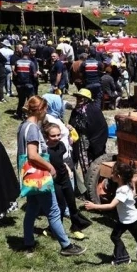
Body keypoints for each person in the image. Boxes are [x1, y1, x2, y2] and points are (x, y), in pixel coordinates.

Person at [17, 97, 85, 256]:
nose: (46, 112)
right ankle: (66, 246)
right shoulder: (33, 128)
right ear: (40, 109)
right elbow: (33, 155)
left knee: (32, 209)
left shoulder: (23, 126)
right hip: (39, 176)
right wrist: (50, 167)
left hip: (30, 177)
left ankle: (28, 242)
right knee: (54, 211)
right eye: (45, 109)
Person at [85, 161, 137, 268]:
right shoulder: (127, 185)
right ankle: (123, 258)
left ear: (119, 176)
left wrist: (94, 206)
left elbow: (111, 205)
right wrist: (134, 183)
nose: (111, 175)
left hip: (134, 220)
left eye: (113, 173)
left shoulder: (122, 190)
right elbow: (133, 194)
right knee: (115, 236)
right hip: (124, 220)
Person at [43, 122, 92, 240]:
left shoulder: (61, 146)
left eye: (58, 135)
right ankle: (53, 229)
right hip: (54, 181)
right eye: (53, 136)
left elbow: (60, 160)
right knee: (59, 206)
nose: (56, 138)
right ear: (46, 137)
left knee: (72, 204)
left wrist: (66, 166)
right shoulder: (44, 150)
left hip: (64, 178)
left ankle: (76, 227)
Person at [69, 88, 109, 165]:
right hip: (81, 142)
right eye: (78, 97)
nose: (79, 99)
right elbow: (72, 123)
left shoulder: (94, 110)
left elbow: (101, 128)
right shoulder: (75, 111)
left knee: (96, 163)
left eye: (81, 97)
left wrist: (95, 142)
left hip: (94, 141)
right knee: (84, 163)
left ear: (87, 99)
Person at [13, 47, 38, 119]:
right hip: (29, 84)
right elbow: (34, 75)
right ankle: (30, 114)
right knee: (30, 100)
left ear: (22, 53)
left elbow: (15, 73)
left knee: (21, 100)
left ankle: (19, 114)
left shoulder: (17, 62)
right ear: (29, 53)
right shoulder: (31, 63)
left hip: (20, 85)